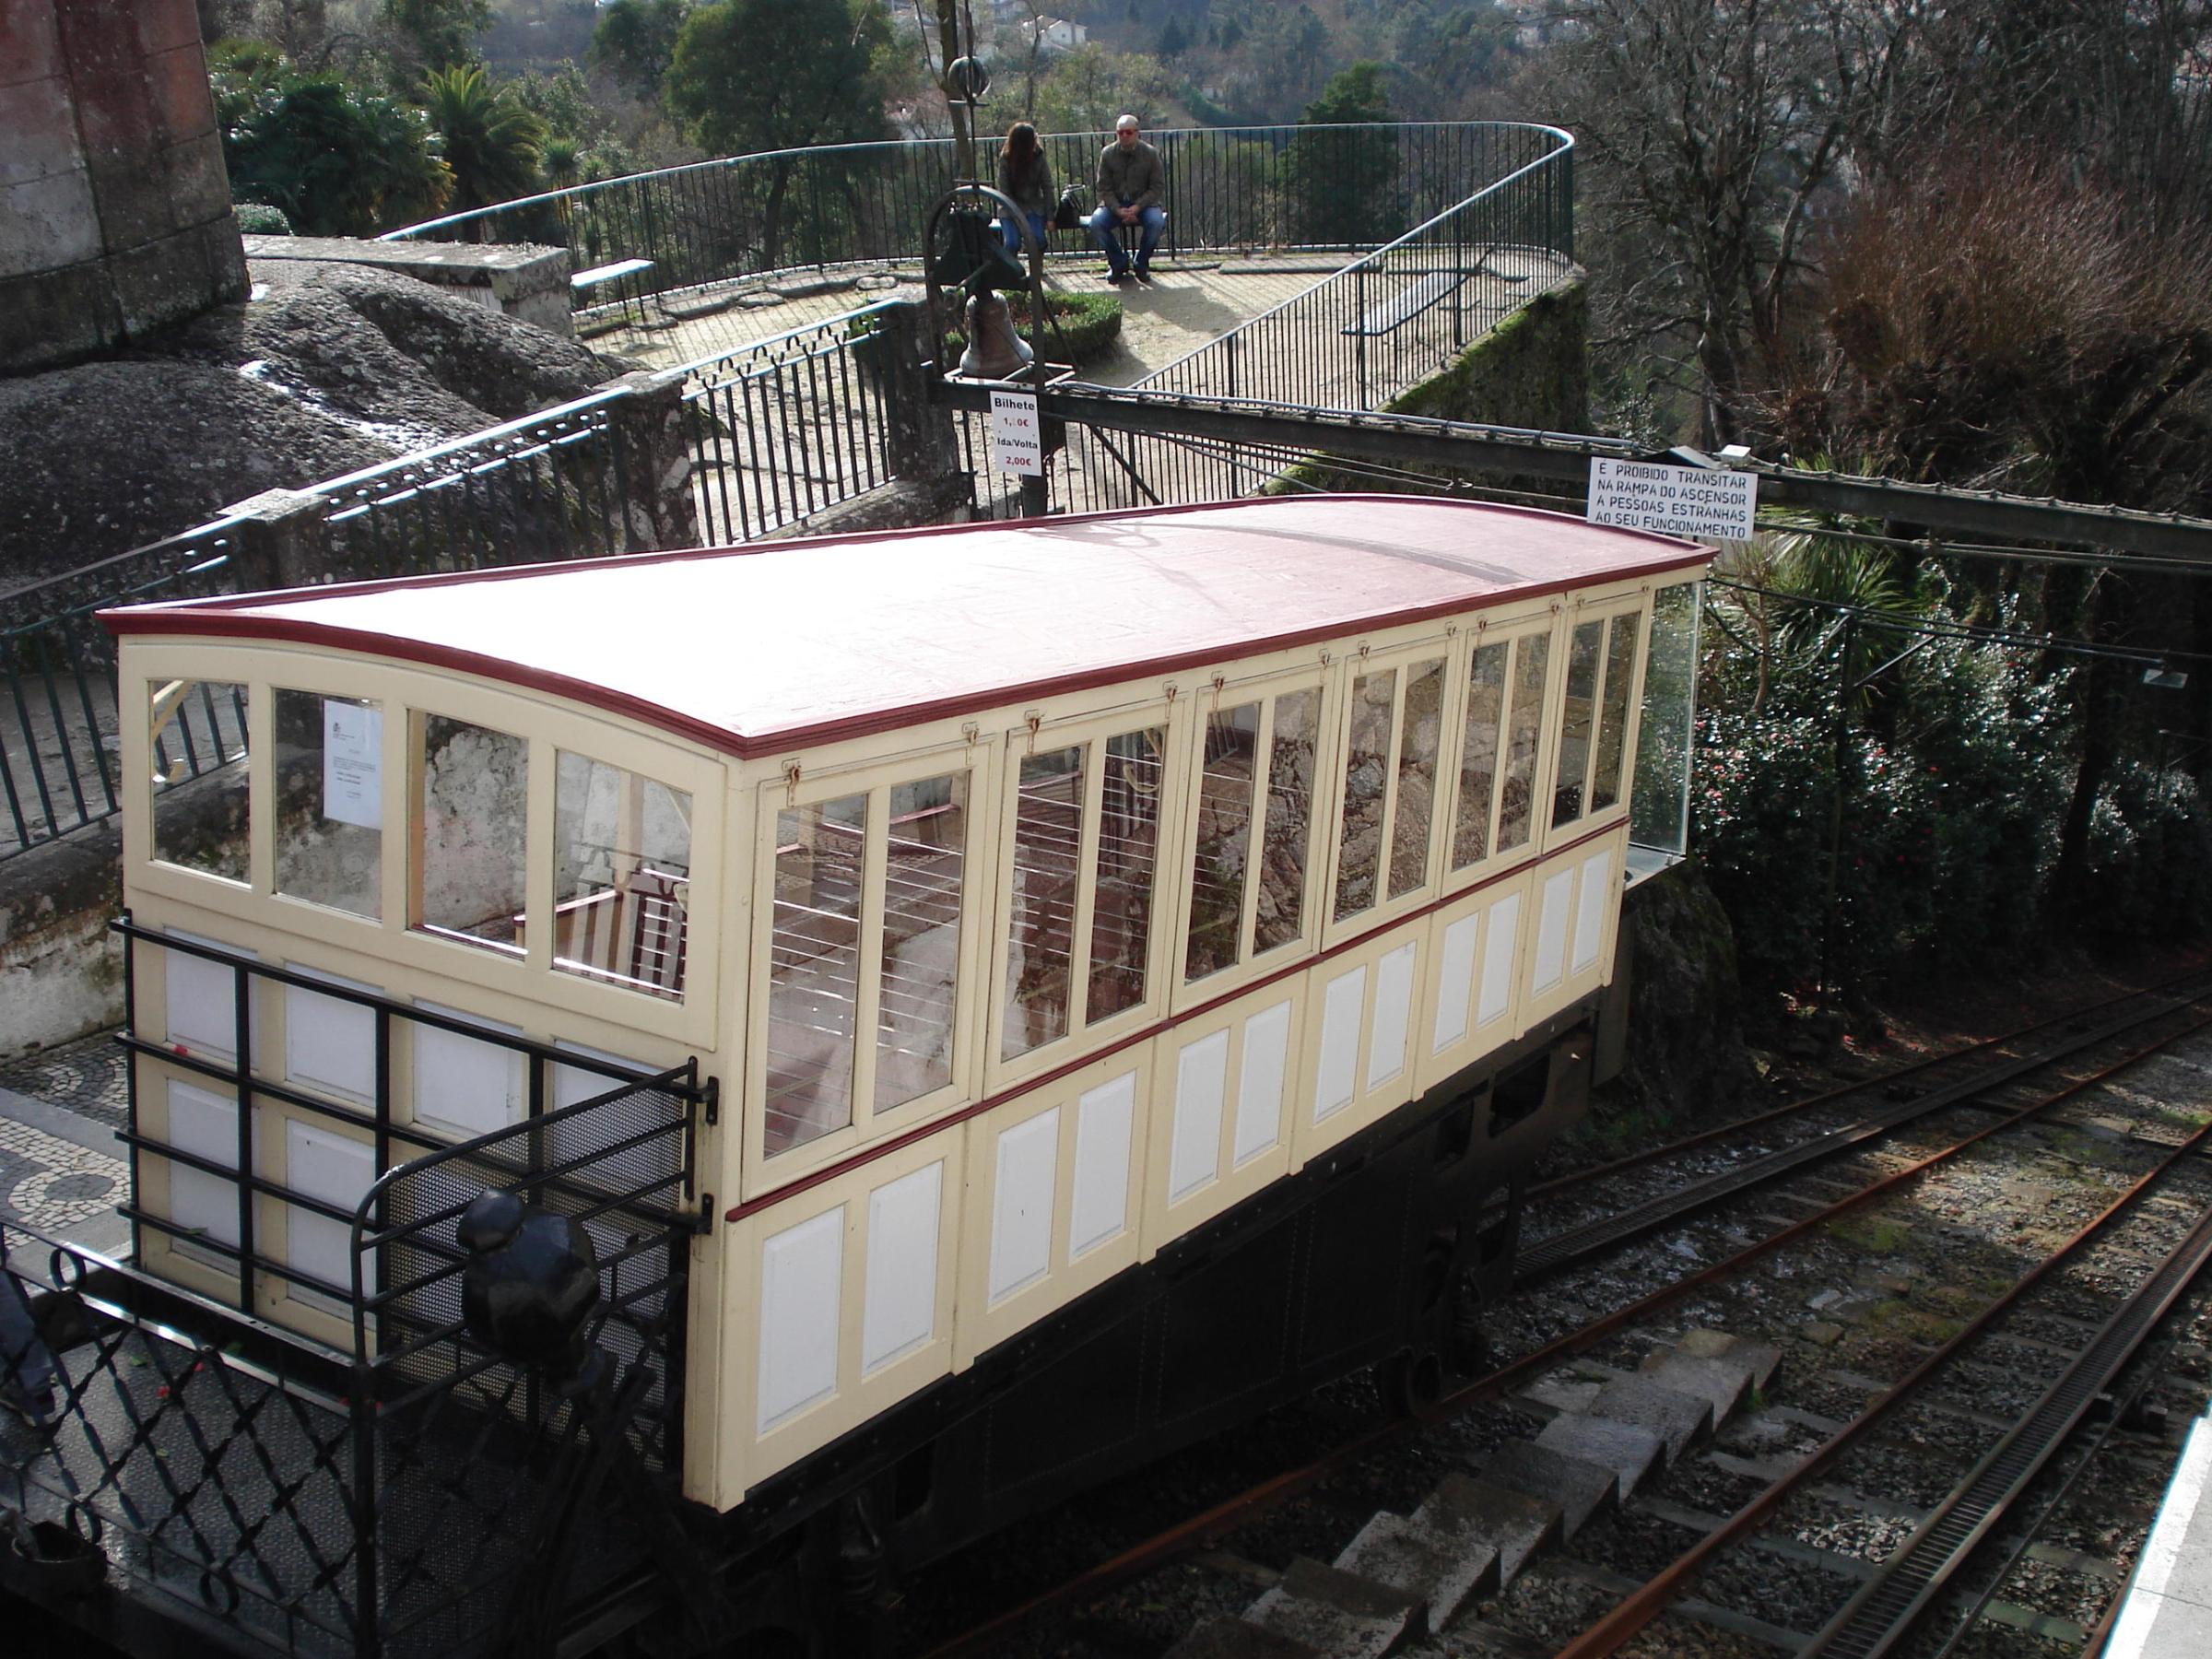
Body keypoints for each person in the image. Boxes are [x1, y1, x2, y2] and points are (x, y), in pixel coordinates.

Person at [1087, 113, 1165, 284]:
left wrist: (1138, 206)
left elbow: (1157, 187)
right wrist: (1117, 209)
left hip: (1145, 204)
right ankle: (1118, 262)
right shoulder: (1107, 154)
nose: (1124, 136)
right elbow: (1103, 187)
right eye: (1120, 133)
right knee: (1096, 223)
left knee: (1156, 222)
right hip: (1115, 204)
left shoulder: (1151, 154)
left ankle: (1141, 263)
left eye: (1128, 132)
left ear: (1137, 133)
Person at [997, 122, 1053, 257]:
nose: (1036, 140)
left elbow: (1047, 186)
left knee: (1038, 240)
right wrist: (1016, 215)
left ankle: (1036, 272)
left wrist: (1050, 217)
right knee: (1012, 243)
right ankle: (1012, 273)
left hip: (1033, 206)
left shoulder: (1039, 157)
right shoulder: (1006, 159)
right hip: (1009, 208)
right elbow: (1004, 191)